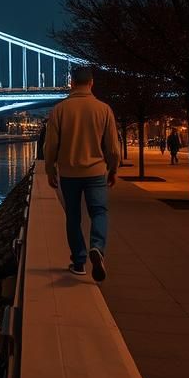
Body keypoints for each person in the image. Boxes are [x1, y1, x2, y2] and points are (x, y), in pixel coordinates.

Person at [44, 66, 119, 282]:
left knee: (73, 217)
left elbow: (51, 146)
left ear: (72, 83)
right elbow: (112, 148)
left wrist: (50, 170)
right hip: (96, 172)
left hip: (68, 174)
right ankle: (97, 247)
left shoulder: (59, 110)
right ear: (92, 83)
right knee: (99, 212)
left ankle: (79, 262)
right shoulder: (104, 109)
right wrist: (113, 169)